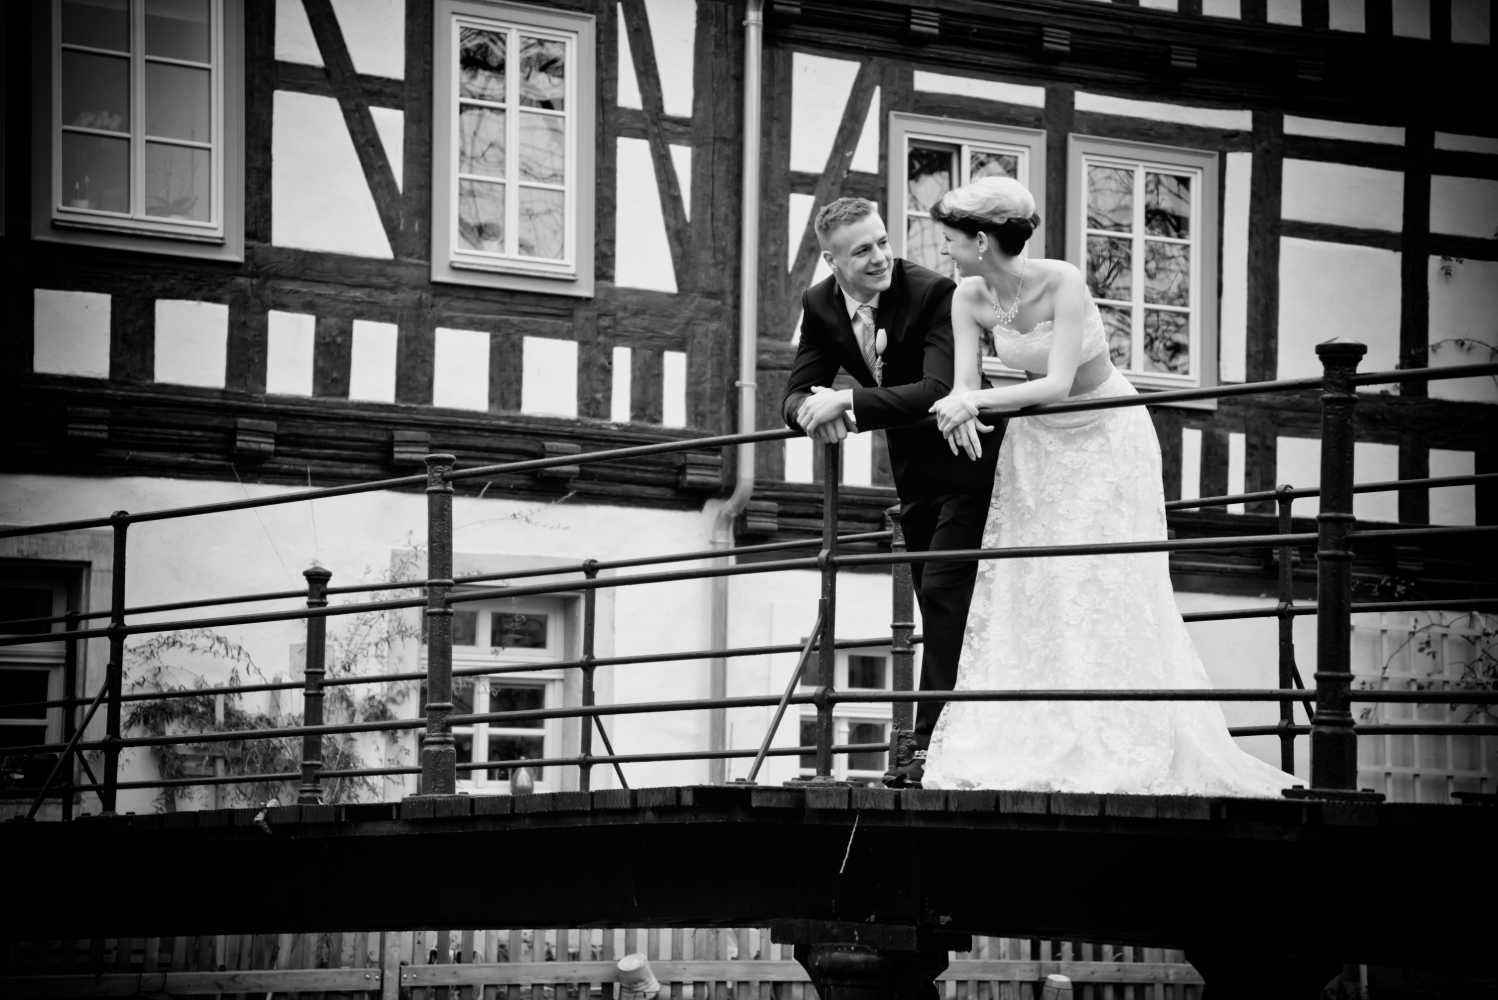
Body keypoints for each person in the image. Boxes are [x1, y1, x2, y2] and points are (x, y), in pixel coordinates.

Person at [920, 177, 1294, 796]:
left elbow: (1058, 383)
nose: (945, 250)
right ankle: (1041, 730)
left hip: (1104, 433)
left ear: (981, 240)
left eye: (951, 239)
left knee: (1100, 578)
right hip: (1036, 443)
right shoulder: (968, 296)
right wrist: (959, 408)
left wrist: (974, 403)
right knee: (1035, 582)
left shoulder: (1063, 281)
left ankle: (1115, 730)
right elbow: (965, 382)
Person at [782, 197, 1001, 787]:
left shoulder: (932, 292)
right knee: (937, 605)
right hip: (914, 478)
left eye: (882, 241)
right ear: (832, 261)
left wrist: (848, 402)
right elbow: (796, 391)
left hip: (971, 462)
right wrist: (810, 411)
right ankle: (967, 738)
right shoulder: (820, 304)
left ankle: (926, 749)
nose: (880, 257)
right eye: (862, 251)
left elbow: (937, 387)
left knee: (945, 595)